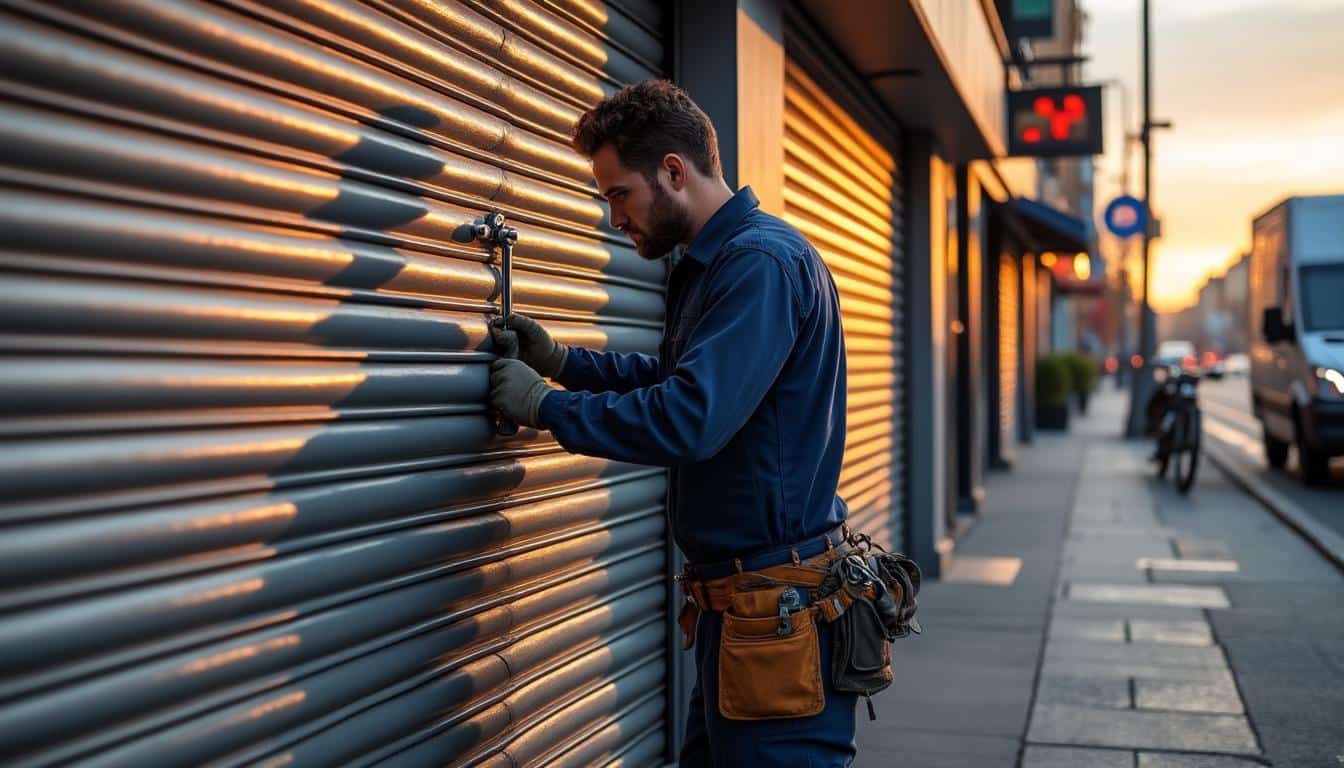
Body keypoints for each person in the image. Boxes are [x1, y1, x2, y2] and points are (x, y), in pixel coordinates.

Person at [489, 79, 856, 767]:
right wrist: (566, 363)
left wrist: (545, 406)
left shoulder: (757, 265)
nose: (613, 217)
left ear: (673, 171)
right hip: (745, 613)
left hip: (774, 616)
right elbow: (676, 379)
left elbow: (690, 418)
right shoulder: (722, 261)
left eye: (617, 194)